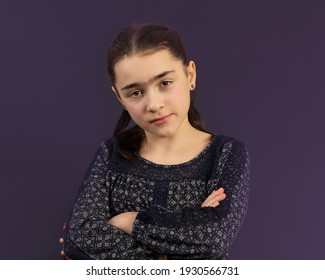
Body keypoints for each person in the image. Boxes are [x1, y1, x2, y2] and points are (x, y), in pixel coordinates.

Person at [62, 23, 250, 260]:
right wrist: (171, 255)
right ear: (119, 97)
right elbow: (78, 240)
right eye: (135, 92)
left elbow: (214, 237)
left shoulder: (225, 154)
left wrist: (128, 221)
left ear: (189, 75)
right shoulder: (111, 155)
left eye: (165, 83)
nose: (153, 104)